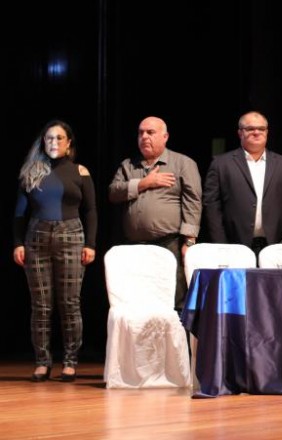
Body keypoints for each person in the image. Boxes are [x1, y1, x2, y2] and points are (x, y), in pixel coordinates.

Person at [13, 120, 97, 382]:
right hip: (37, 238)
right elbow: (18, 213)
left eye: (59, 138)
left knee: (70, 303)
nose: (54, 143)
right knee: (41, 305)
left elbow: (91, 211)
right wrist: (18, 243)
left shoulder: (80, 172)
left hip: (71, 236)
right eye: (49, 138)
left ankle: (70, 361)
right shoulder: (31, 172)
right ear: (43, 142)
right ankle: (42, 361)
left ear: (68, 143)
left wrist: (90, 244)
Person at [108, 116, 201, 310]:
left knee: (174, 300)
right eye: (141, 133)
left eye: (150, 133)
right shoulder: (128, 165)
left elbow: (193, 202)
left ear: (165, 136)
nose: (144, 137)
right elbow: (113, 193)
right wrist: (144, 184)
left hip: (170, 243)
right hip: (135, 246)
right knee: (139, 302)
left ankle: (177, 339)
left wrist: (189, 241)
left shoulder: (183, 163)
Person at [203, 111, 282, 254]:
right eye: (250, 129)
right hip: (234, 247)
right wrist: (222, 245)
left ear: (267, 132)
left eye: (261, 129)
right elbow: (212, 206)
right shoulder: (220, 164)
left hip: (278, 246)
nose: (256, 132)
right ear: (240, 133)